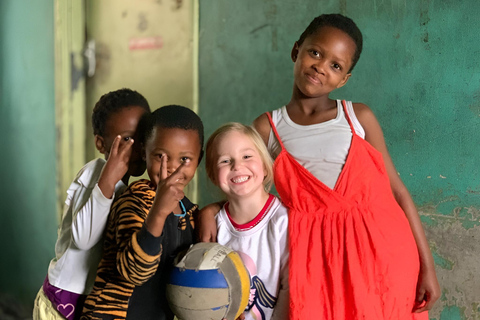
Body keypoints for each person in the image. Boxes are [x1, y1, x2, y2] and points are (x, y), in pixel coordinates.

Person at [199, 14, 440, 319]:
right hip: (317, 260)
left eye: (336, 65)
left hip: (384, 253)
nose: (321, 66)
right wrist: (211, 210)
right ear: (296, 50)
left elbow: (399, 193)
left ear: (344, 79)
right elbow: (245, 184)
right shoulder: (267, 127)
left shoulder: (358, 118)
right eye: (315, 53)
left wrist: (427, 266)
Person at [33, 88, 151, 320]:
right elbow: (84, 239)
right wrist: (107, 180)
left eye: (143, 137)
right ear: (101, 143)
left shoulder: (131, 192)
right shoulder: (94, 173)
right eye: (127, 138)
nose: (137, 148)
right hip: (61, 303)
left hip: (91, 302)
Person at [80, 105, 204, 320]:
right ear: (144, 152)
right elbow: (134, 272)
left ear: (198, 160)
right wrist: (158, 212)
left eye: (184, 159)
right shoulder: (134, 201)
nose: (172, 168)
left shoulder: (189, 212)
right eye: (160, 156)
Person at [205, 123, 289, 320]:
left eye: (247, 156)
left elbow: (291, 287)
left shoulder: (283, 220)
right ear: (213, 176)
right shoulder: (213, 226)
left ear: (265, 166)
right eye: (225, 161)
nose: (237, 166)